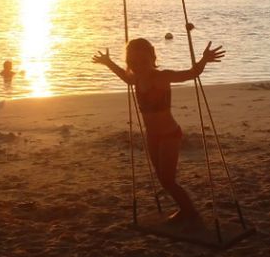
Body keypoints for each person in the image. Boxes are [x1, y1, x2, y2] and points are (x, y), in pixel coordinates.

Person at [93, 38, 225, 223]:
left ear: (152, 57)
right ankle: (186, 211)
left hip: (169, 135)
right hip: (152, 136)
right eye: (133, 62)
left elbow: (192, 73)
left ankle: (191, 213)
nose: (138, 66)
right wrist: (108, 63)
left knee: (168, 180)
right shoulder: (136, 78)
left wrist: (204, 59)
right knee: (163, 180)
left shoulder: (162, 76)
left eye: (143, 61)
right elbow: (125, 78)